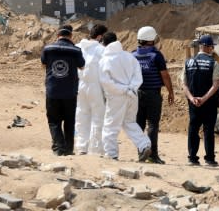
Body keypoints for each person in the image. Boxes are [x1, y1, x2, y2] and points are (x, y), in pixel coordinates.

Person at [99, 31, 152, 162]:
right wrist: (131, 88)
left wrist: (122, 89)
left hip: (116, 97)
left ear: (104, 44)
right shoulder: (129, 57)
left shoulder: (105, 60)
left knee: (110, 125)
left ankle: (111, 154)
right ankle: (144, 144)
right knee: (129, 122)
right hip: (132, 95)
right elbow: (138, 76)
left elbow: (106, 82)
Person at [132, 26, 175, 164]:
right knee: (152, 125)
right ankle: (152, 155)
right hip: (153, 94)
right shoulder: (156, 55)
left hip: (136, 94)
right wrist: (170, 91)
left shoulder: (133, 55)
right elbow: (165, 76)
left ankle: (141, 153)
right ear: (151, 39)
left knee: (139, 124)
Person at [40, 25, 85, 156]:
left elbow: (43, 65)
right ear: (71, 36)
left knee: (54, 120)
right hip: (70, 92)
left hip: (52, 91)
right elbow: (82, 66)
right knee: (69, 121)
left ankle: (59, 148)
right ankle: (69, 149)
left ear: (57, 35)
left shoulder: (48, 49)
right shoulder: (76, 50)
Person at [182, 34, 219, 166]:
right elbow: (216, 85)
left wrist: (192, 98)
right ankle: (210, 159)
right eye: (211, 47)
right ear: (207, 47)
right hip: (209, 103)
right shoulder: (213, 63)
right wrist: (204, 99)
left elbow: (184, 84)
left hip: (193, 103)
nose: (212, 49)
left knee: (193, 128)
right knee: (208, 130)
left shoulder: (188, 62)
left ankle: (192, 158)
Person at [74, 24, 107, 155]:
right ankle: (96, 149)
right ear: (100, 36)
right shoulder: (101, 50)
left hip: (80, 85)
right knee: (98, 117)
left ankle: (82, 147)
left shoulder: (77, 47)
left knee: (82, 116)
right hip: (96, 86)